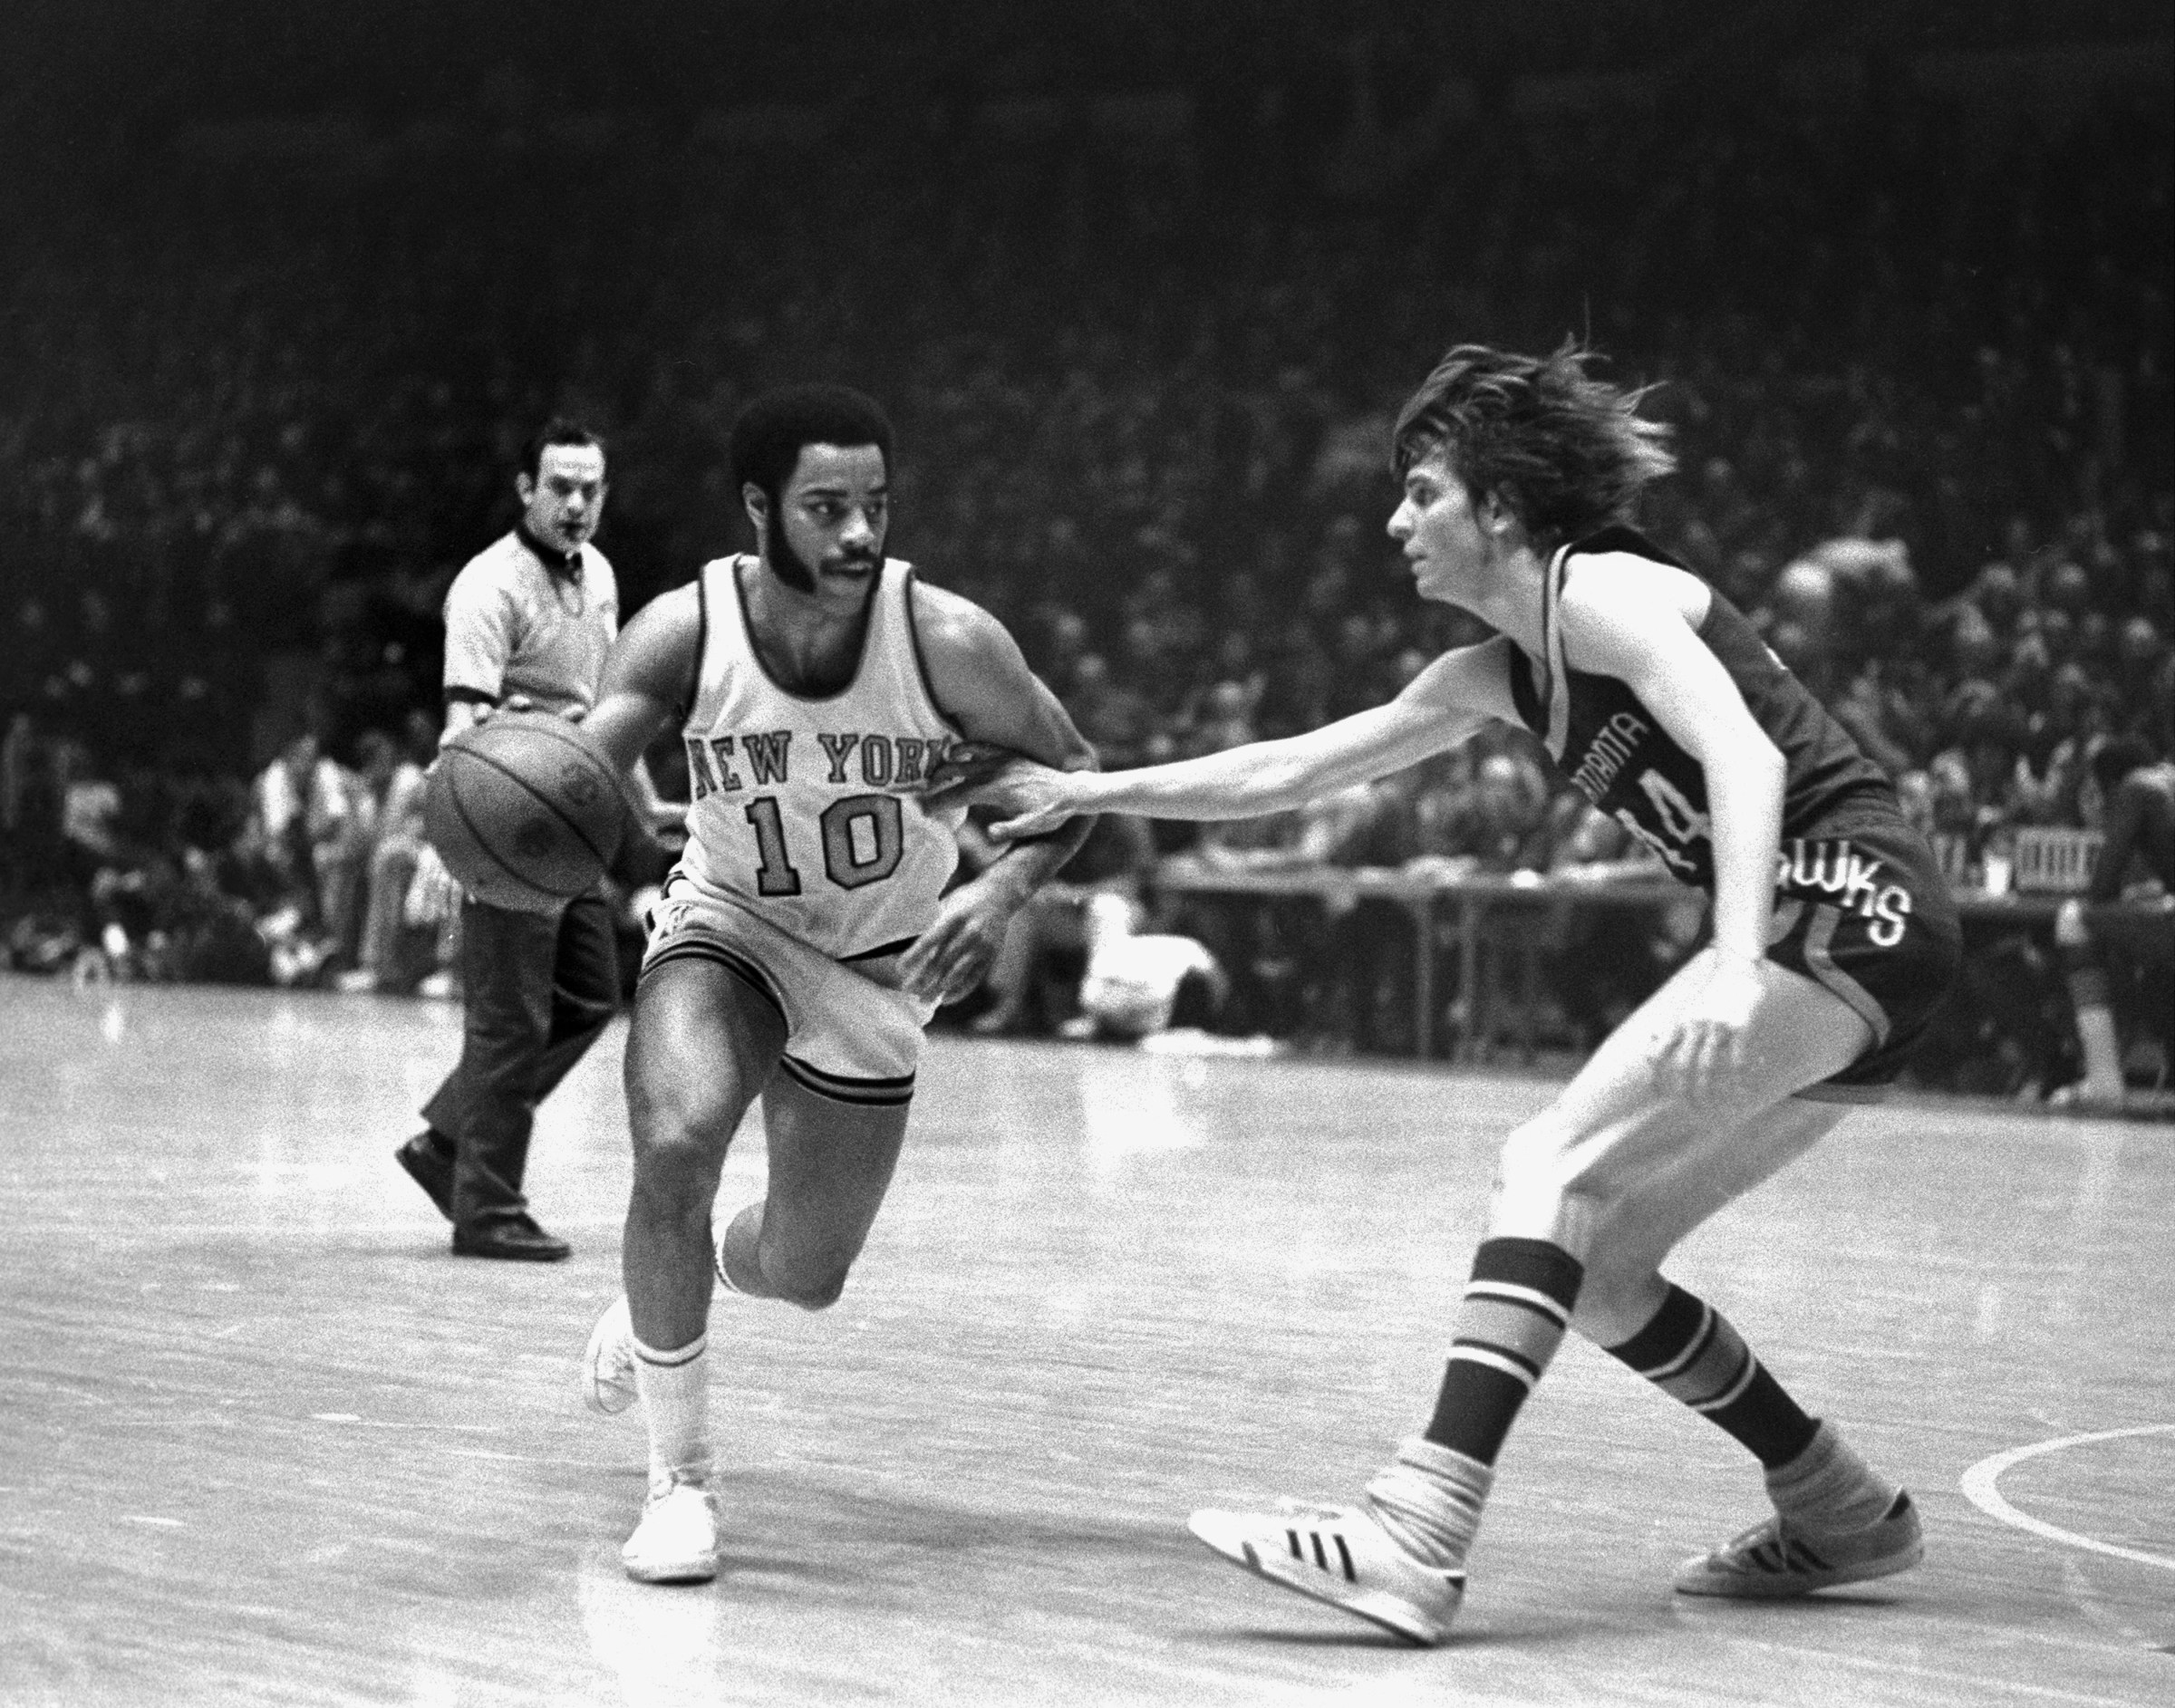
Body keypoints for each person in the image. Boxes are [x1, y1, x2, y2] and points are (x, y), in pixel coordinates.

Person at [939, 342, 1962, 1645]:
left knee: (1546, 1160)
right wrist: (1089, 791)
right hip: (1874, 940)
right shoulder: (1500, 670)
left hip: (1844, 901)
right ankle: (1841, 1506)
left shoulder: (1602, 591)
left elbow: (1750, 758)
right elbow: (1290, 771)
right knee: (1600, 1267)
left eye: (1423, 491)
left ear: (1504, 506)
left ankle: (1418, 1530)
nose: (1395, 521)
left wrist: (1733, 950)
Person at [570, 385, 1097, 1584]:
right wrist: (514, 817)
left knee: (807, 1273)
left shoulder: (949, 640)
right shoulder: (682, 631)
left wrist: (999, 892)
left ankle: (682, 1274)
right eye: (825, 507)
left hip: (879, 963)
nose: (858, 533)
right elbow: (581, 769)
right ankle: (680, 1482)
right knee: (676, 1142)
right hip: (732, 923)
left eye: (875, 504)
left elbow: (1074, 778)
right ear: (761, 508)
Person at [396, 419, 672, 1262]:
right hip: (509, 829)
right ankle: (486, 1208)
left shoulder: (602, 574)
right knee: (510, 1019)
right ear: (525, 490)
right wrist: (451, 845)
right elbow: (461, 728)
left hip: (572, 824)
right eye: (561, 486)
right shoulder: (487, 587)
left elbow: (604, 713)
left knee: (587, 998)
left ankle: (448, 1141)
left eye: (592, 488)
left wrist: (647, 805)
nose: (578, 502)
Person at [2052, 733, 2175, 1106]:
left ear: (2107, 782)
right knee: (2158, 974)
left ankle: (2103, 1079)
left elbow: (2101, 888)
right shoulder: (2167, 781)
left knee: (2074, 920)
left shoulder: (2137, 787)